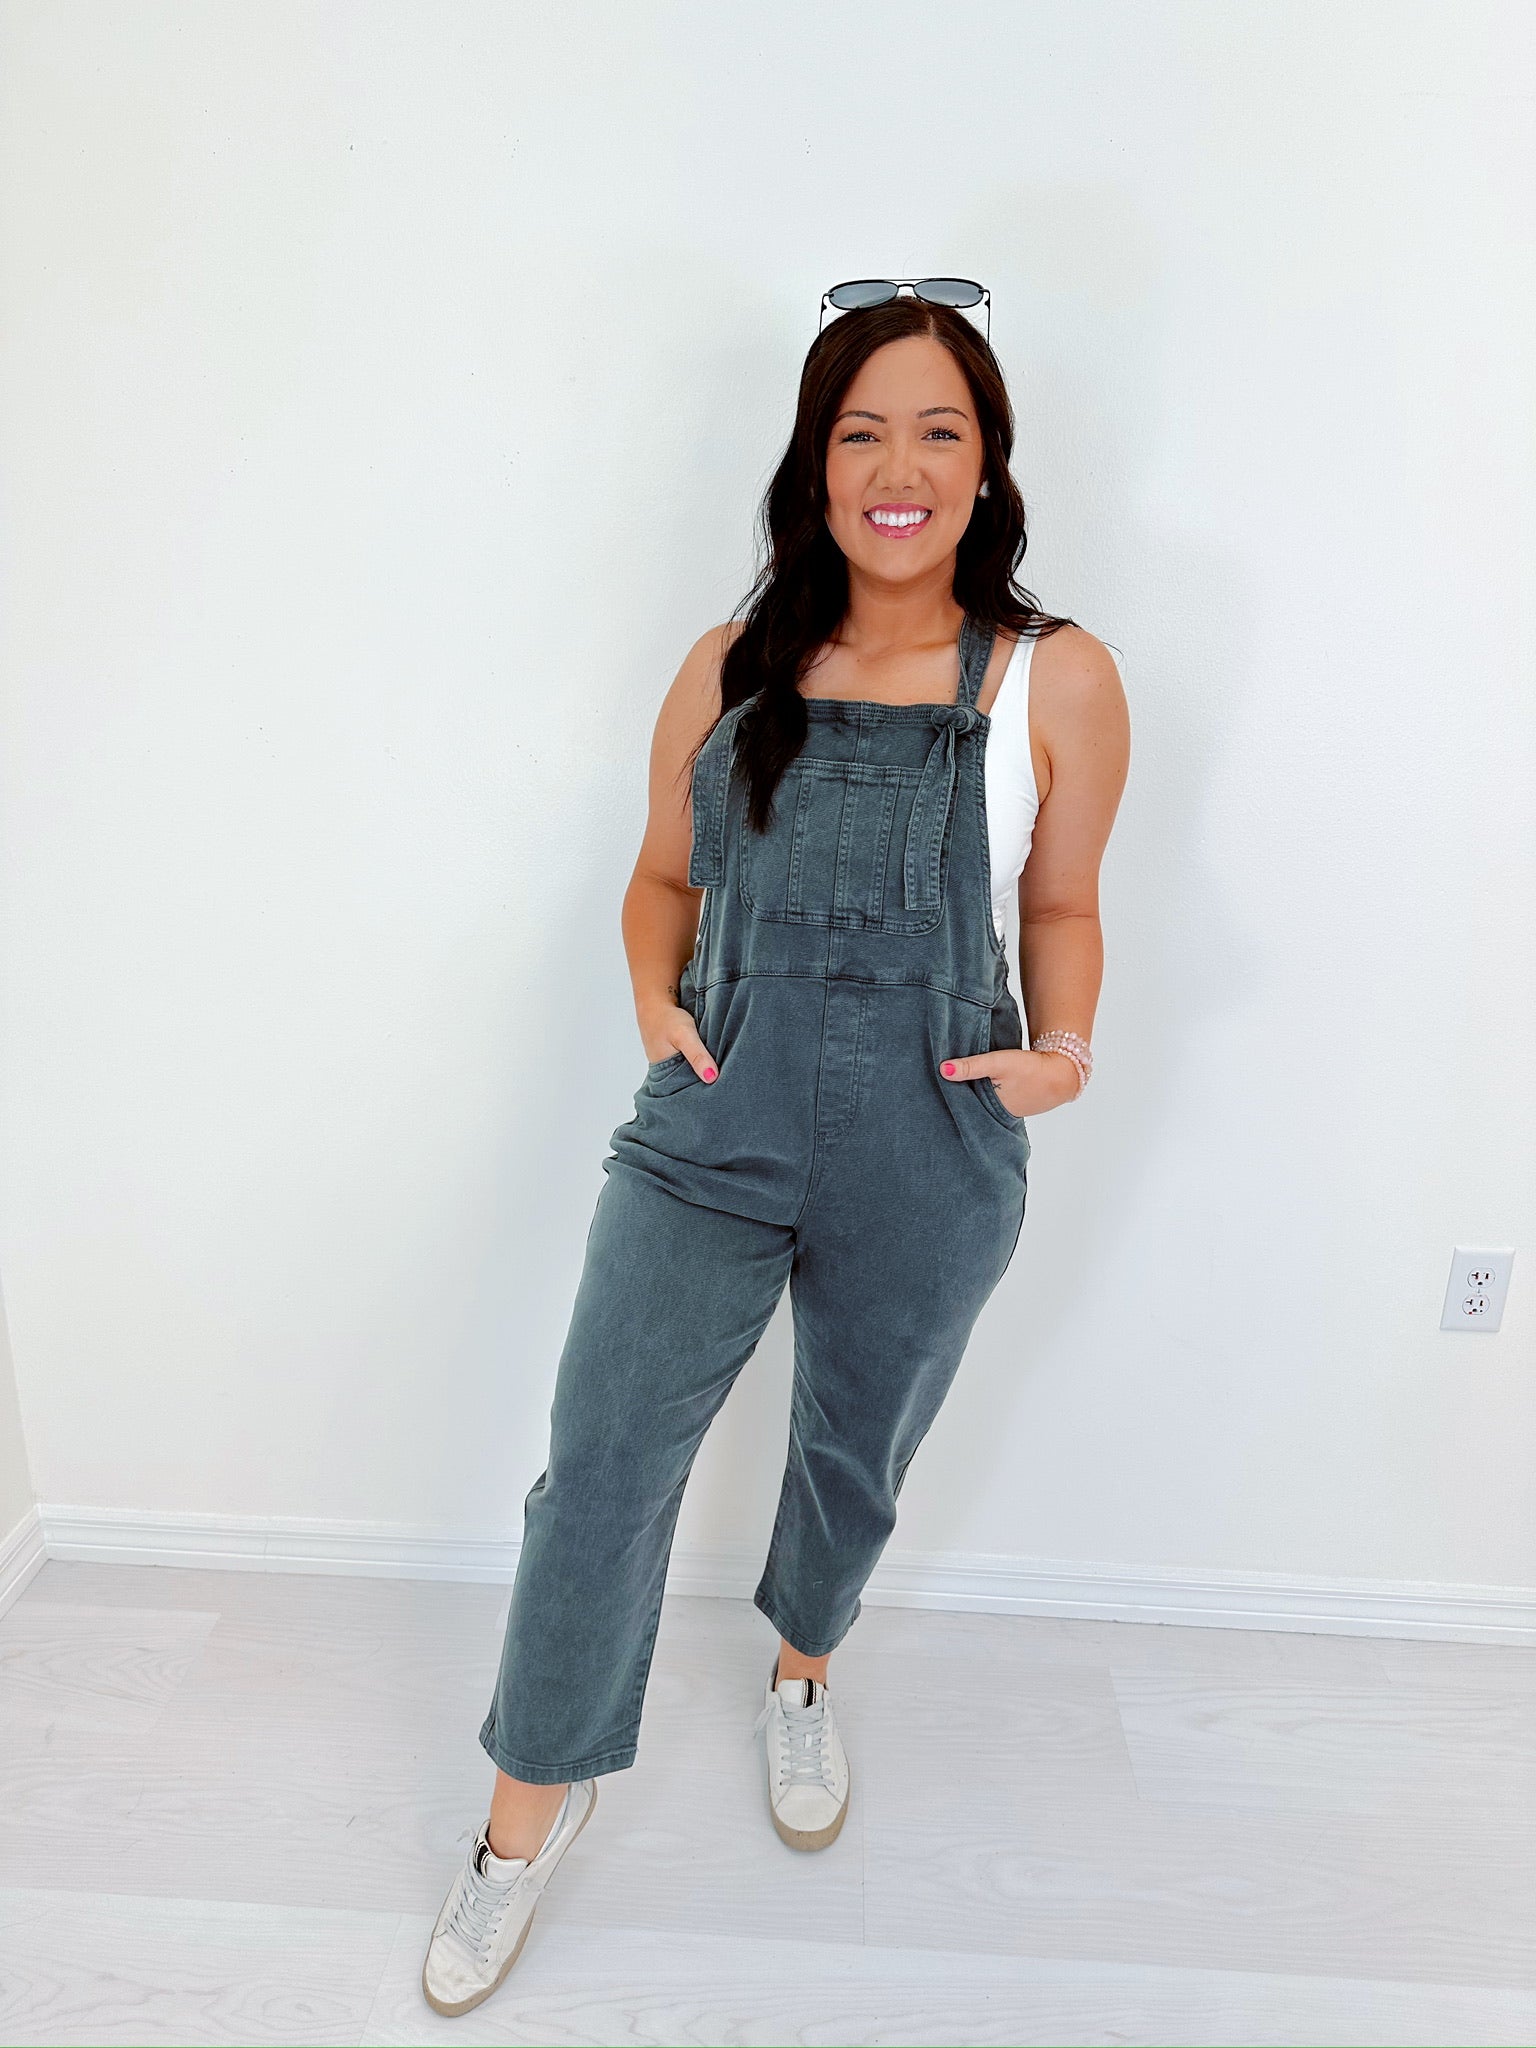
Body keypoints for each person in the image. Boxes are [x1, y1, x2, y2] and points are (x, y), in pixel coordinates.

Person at [422, 281, 1131, 2017]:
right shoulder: (731, 664)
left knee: (852, 1453)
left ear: (989, 463)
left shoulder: (1056, 675)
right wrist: (653, 1007)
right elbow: (658, 879)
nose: (900, 467)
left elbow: (1063, 904)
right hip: (711, 1125)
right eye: (861, 430)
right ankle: (524, 1818)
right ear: (816, 462)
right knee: (600, 1468)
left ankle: (801, 1674)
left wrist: (1060, 1060)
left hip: (937, 1131)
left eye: (939, 430)